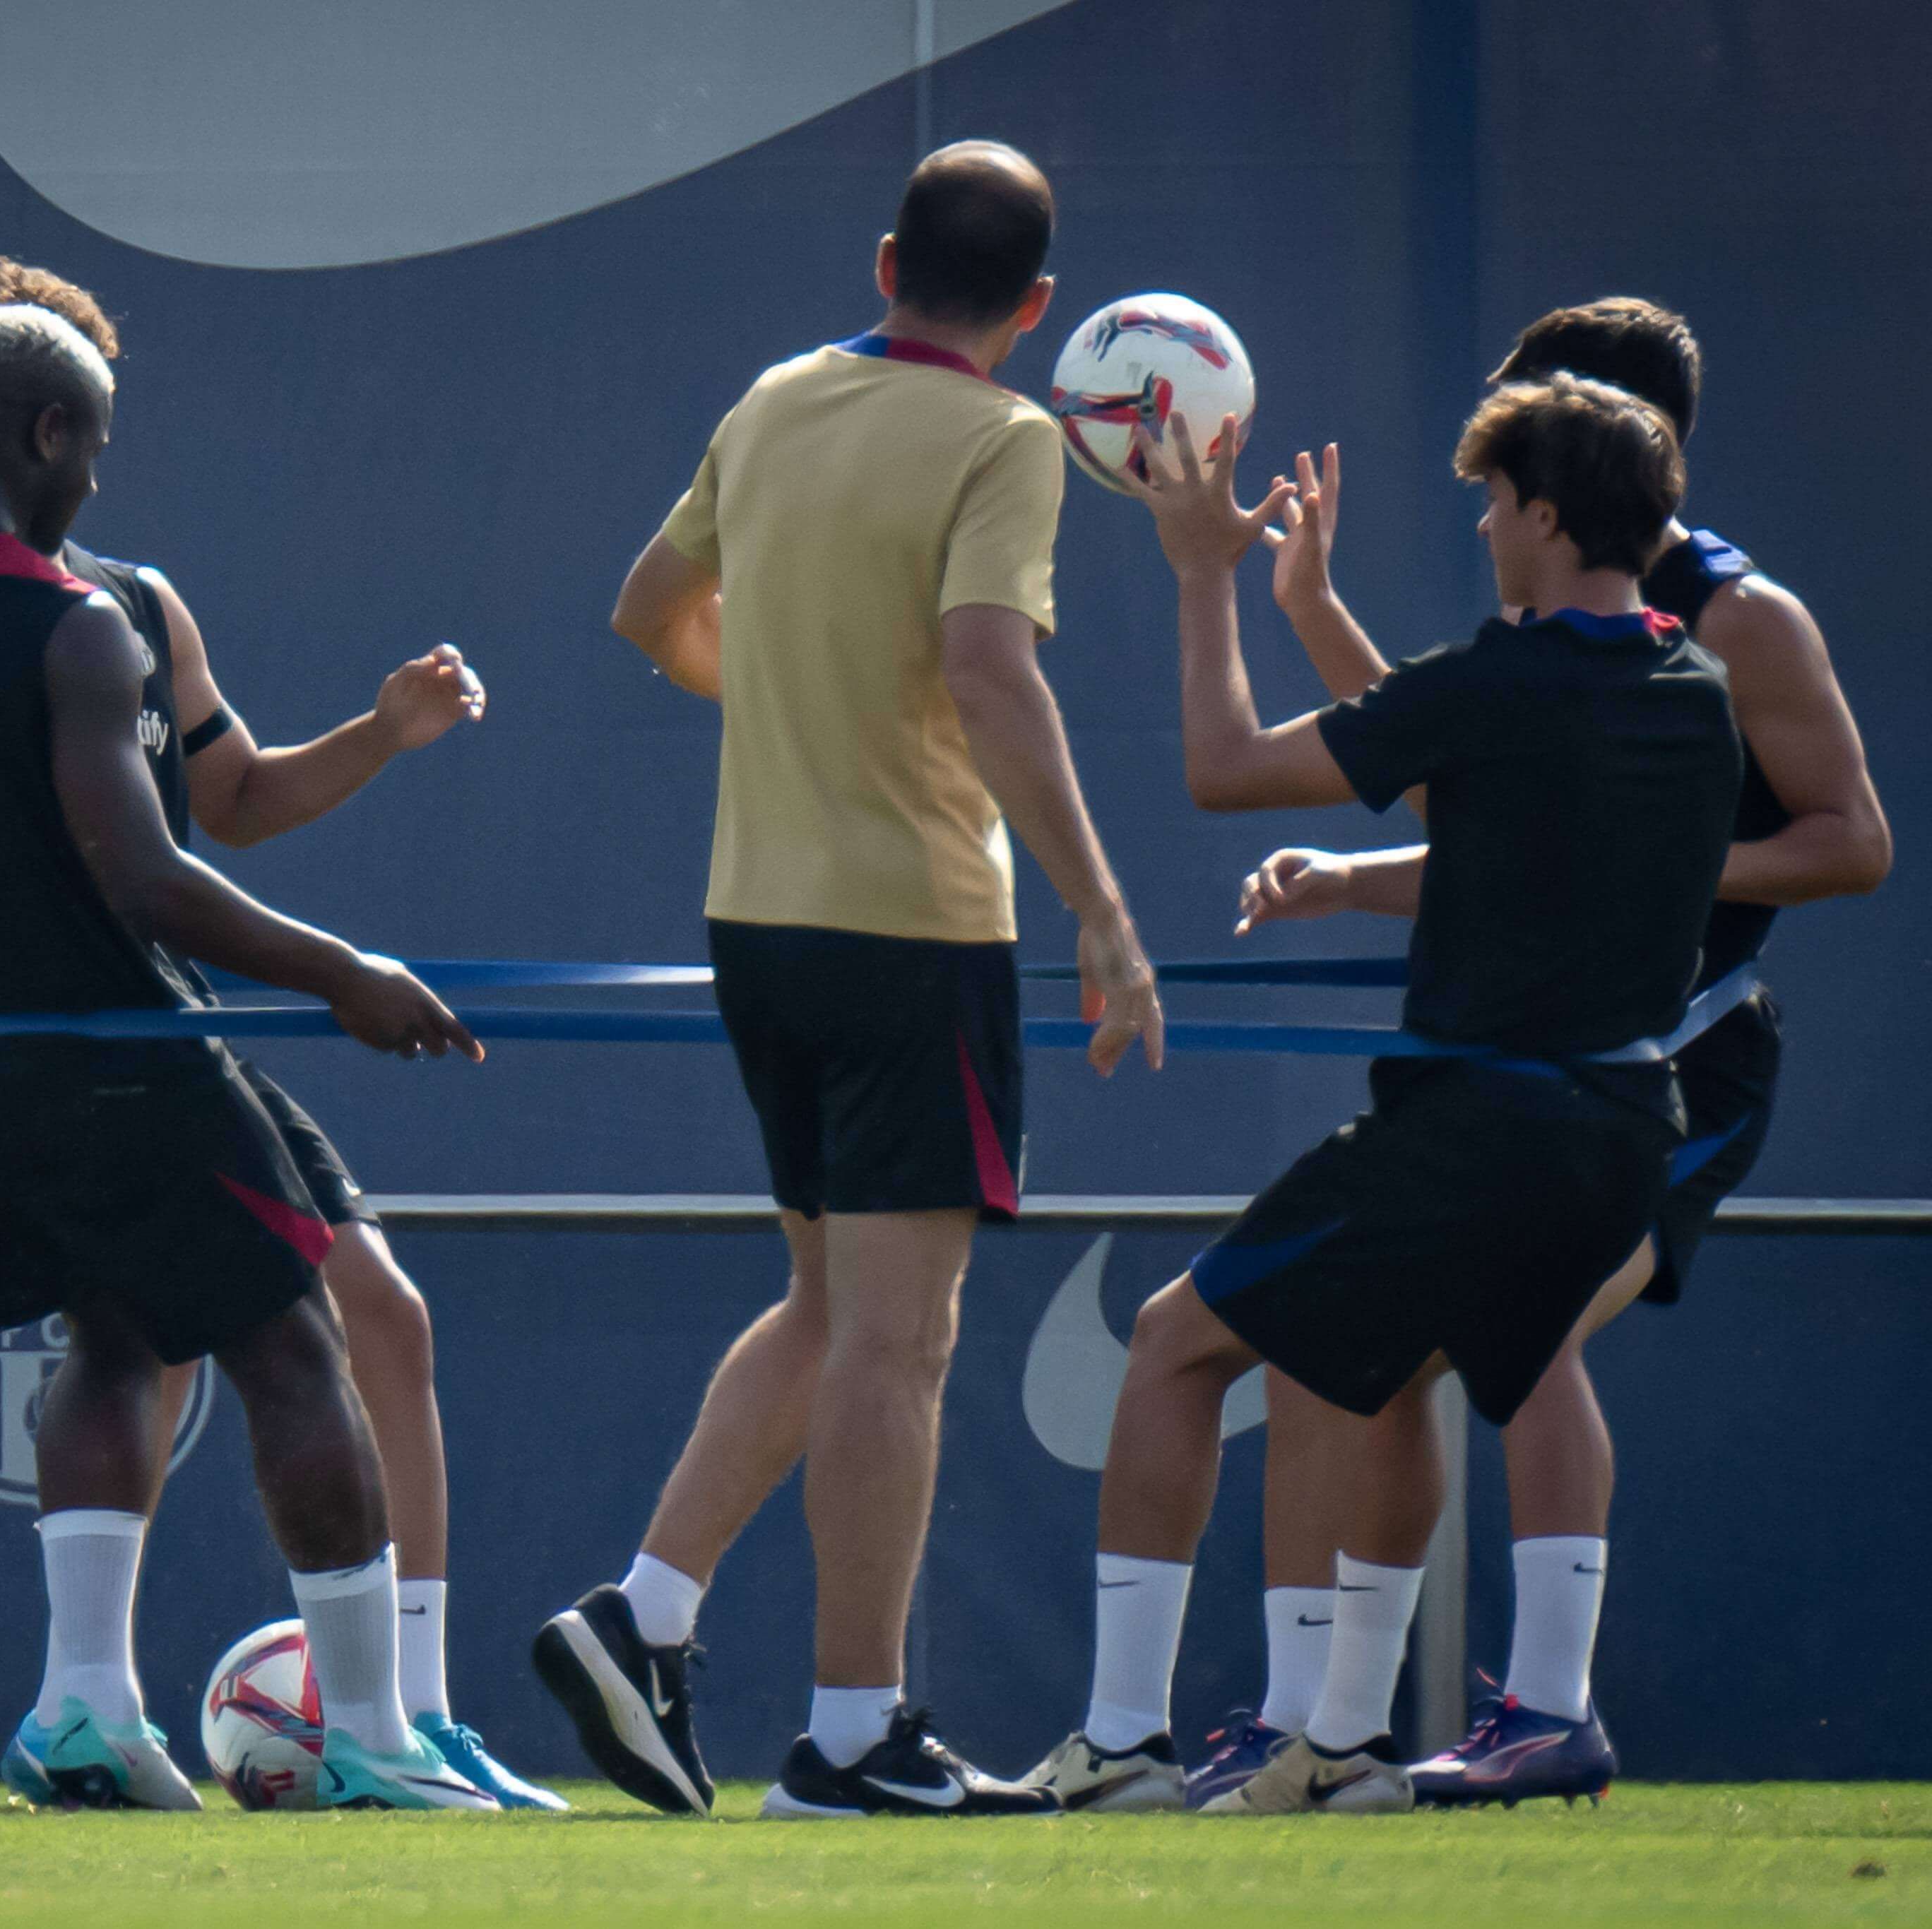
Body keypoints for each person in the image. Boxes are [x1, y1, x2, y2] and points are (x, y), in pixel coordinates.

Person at [0, 303, 494, 1812]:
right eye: (91, 447)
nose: (93, 481)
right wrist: (346, 973)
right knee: (291, 1346)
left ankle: (81, 1711)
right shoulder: (73, 622)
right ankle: (371, 1740)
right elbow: (149, 882)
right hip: (120, 1053)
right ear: (46, 436)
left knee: (113, 1337)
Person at [533, 140, 1165, 1820]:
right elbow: (984, 667)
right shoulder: (1008, 432)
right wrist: (1102, 908)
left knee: (827, 1313)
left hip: (762, 921)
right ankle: (849, 1736)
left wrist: (794, 706)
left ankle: (642, 1614)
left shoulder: (769, 399)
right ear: (1034, 309)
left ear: (885, 262)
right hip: (911, 933)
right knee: (898, 1343)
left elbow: (647, 609)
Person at [1191, 298, 1892, 1808]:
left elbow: (1853, 844)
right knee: (1393, 1361)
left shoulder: (1736, 621)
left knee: (1532, 1329)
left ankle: (1547, 1706)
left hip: (1674, 1054)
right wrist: (1341, 863)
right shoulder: (1552, 626)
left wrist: (1641, 857)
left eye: (1526, 436)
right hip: (1543, 1061)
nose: (1497, 482)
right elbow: (1473, 796)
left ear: (1615, 451)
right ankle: (1338, 1731)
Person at [1019, 376, 1743, 1815]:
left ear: (1542, 514)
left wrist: (1199, 575)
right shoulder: (1689, 686)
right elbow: (1491, 802)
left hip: (1473, 1126)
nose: (1480, 524)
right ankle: (1384, 1730)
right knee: (1400, 1377)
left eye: (1491, 500)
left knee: (1171, 1347)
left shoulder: (1495, 675)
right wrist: (1312, 607)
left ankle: (1115, 1742)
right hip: (1618, 1137)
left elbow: (1226, 766)